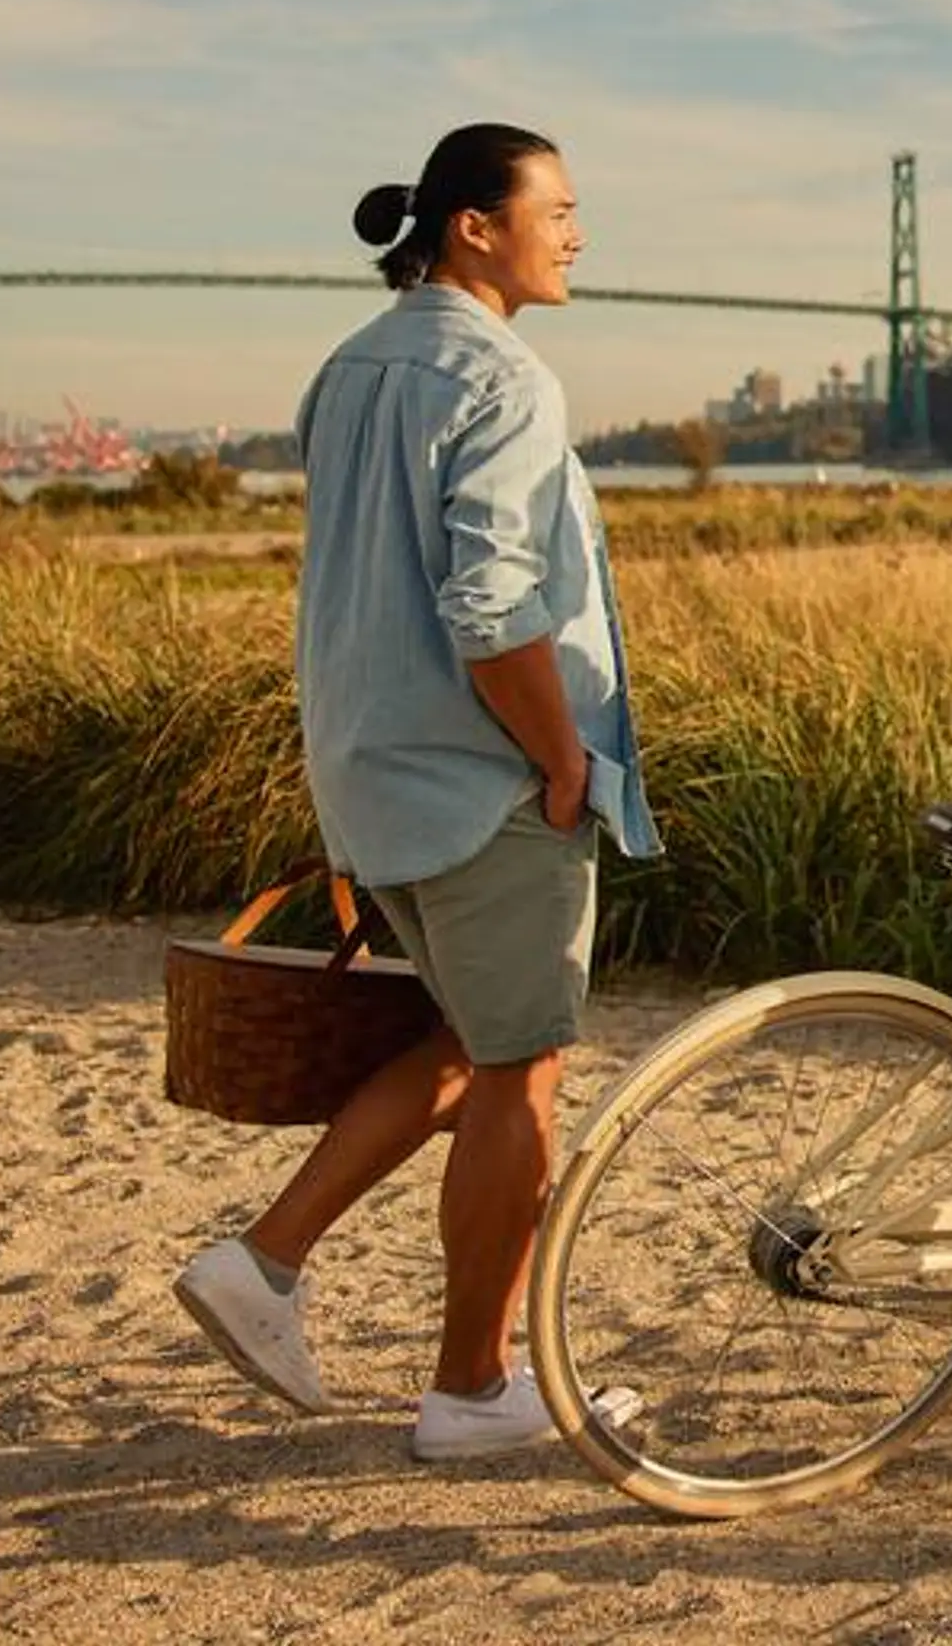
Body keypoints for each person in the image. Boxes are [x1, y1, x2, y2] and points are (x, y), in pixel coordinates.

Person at [170, 123, 661, 1461]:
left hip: (366, 767)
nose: (577, 232)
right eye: (556, 208)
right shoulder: (504, 379)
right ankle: (471, 1391)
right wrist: (564, 757)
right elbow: (492, 601)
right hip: (478, 781)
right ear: (472, 228)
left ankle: (262, 1264)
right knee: (524, 1070)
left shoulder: (348, 369)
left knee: (463, 1044)